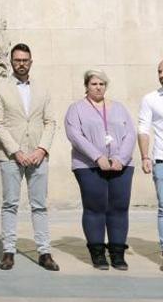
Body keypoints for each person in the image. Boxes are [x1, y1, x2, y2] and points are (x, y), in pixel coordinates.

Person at [0, 43, 59, 271]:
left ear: (31, 61)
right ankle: (8, 250)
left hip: (39, 155)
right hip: (11, 156)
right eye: (17, 60)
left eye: (25, 60)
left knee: (39, 205)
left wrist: (41, 149)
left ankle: (44, 251)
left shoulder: (43, 88)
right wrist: (16, 151)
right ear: (11, 61)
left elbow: (50, 122)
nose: (21, 64)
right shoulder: (0, 88)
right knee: (10, 204)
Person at [65, 69, 136, 270]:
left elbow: (130, 134)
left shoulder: (119, 108)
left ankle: (117, 253)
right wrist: (98, 157)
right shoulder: (76, 108)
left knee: (119, 208)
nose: (98, 87)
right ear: (86, 86)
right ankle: (97, 253)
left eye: (102, 84)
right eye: (94, 84)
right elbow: (75, 135)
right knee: (95, 207)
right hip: (88, 166)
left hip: (121, 165)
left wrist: (120, 158)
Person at [138, 58, 163, 272]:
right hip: (161, 161)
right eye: (160, 71)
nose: (161, 75)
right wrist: (145, 156)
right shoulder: (150, 99)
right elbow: (143, 128)